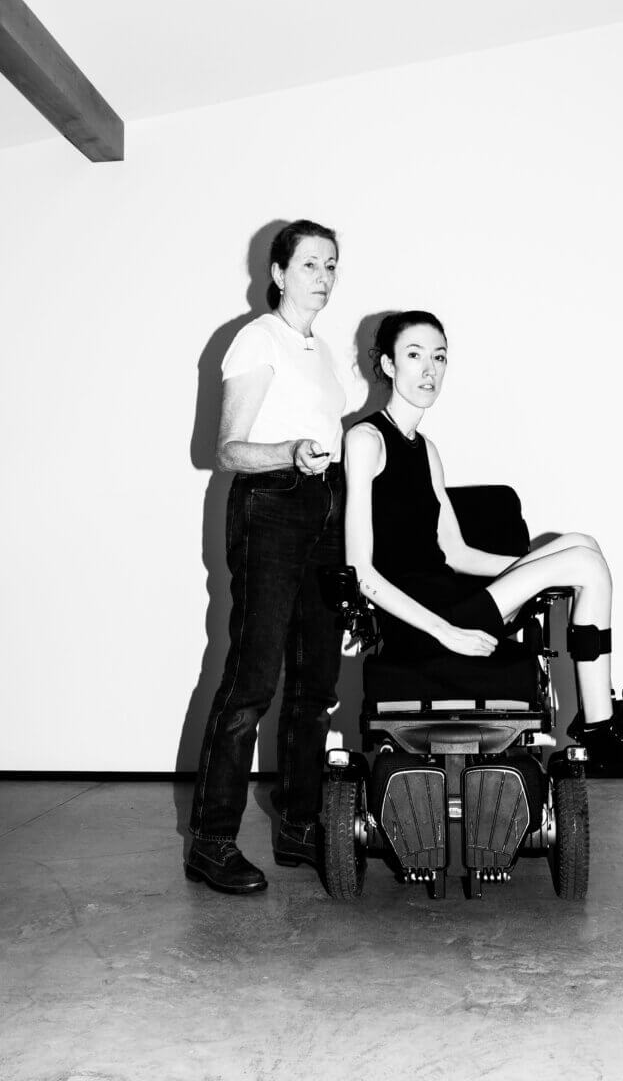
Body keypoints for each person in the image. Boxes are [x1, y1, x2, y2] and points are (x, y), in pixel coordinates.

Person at [344, 310, 623, 775]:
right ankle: (601, 728)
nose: (429, 370)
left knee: (581, 544)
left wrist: (535, 566)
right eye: (414, 355)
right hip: (422, 621)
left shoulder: (426, 450)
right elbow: (361, 573)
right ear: (387, 364)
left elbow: (454, 553)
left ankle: (601, 723)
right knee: (583, 567)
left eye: (439, 357)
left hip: (452, 597)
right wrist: (448, 632)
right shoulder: (366, 439)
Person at [187, 219, 346, 894]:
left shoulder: (320, 350)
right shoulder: (257, 340)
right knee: (253, 682)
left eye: (331, 264)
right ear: (278, 274)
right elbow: (225, 449)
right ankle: (212, 841)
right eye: (309, 263)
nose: (322, 275)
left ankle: (298, 826)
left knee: (315, 688)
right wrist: (290, 453)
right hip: (271, 506)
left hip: (321, 508)